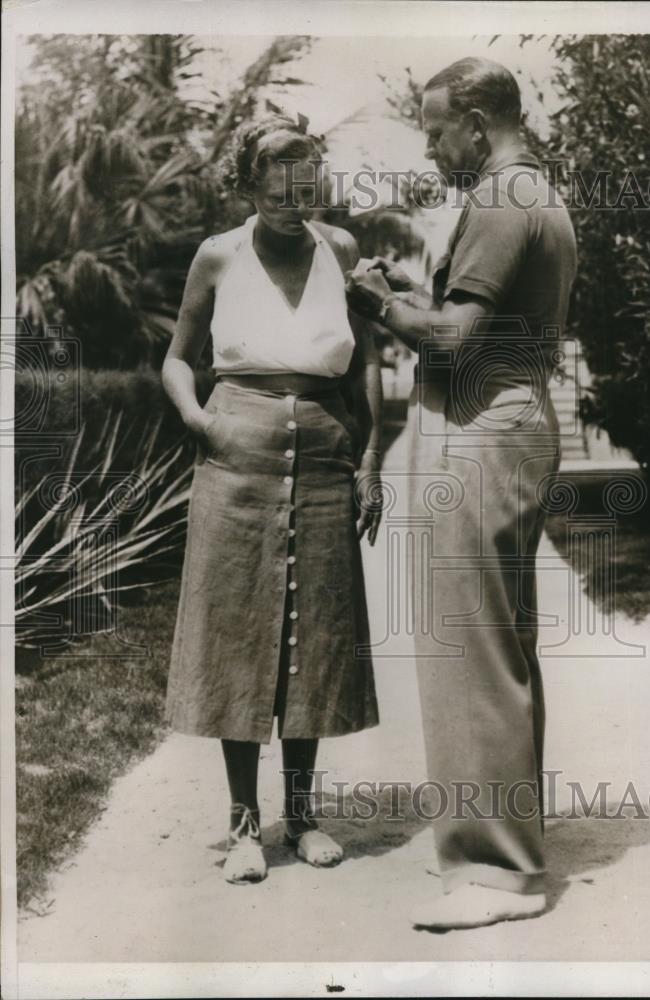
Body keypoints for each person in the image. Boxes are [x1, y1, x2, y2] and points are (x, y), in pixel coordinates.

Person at [346, 57, 577, 929]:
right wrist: (413, 294)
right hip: (509, 417)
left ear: (479, 124)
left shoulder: (497, 199)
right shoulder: (536, 195)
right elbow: (481, 320)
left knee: (469, 652)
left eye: (439, 129)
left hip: (479, 426)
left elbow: (453, 341)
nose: (434, 146)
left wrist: (376, 303)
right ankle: (510, 851)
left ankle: (496, 871)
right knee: (499, 647)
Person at [163, 113, 382, 884]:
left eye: (308, 182)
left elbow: (363, 372)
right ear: (250, 183)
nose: (296, 197)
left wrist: (371, 461)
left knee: (314, 632)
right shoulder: (217, 255)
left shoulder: (343, 251)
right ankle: (244, 825)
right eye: (279, 183)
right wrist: (199, 420)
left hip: (325, 452)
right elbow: (177, 359)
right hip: (236, 451)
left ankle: (304, 817)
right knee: (239, 631)